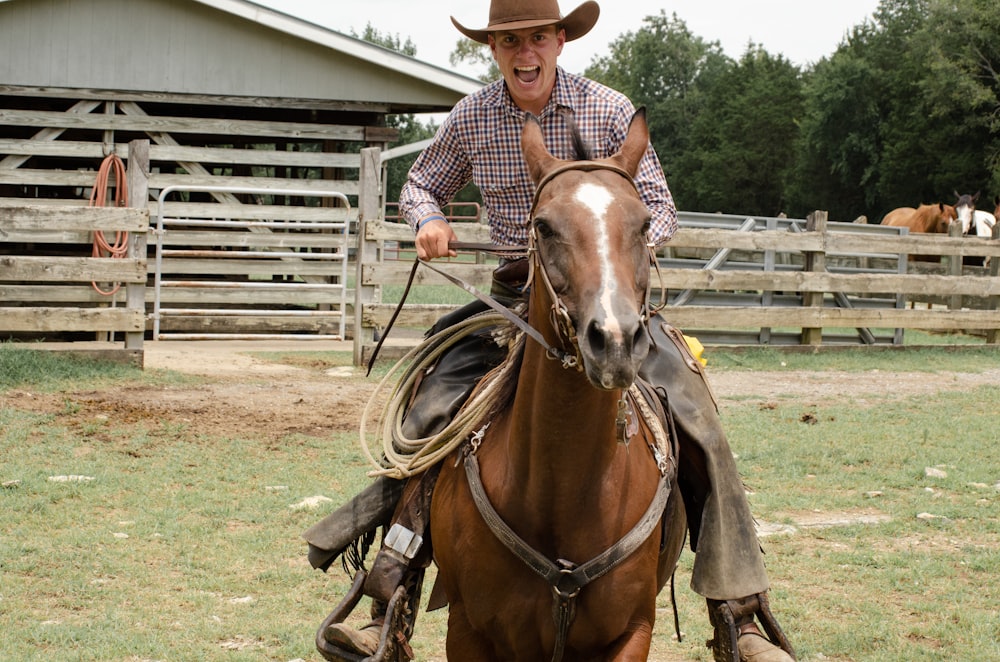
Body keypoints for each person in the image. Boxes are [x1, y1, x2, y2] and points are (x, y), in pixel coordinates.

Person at [305, 2, 797, 661]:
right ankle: (387, 598)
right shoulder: (473, 116)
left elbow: (661, 208)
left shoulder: (607, 110)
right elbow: (421, 181)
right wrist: (428, 219)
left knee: (697, 416)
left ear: (560, 40)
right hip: (513, 303)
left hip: (610, 300)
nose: (524, 51)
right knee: (430, 409)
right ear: (495, 49)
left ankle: (737, 615)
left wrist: (616, 242)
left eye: (536, 36)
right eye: (509, 40)